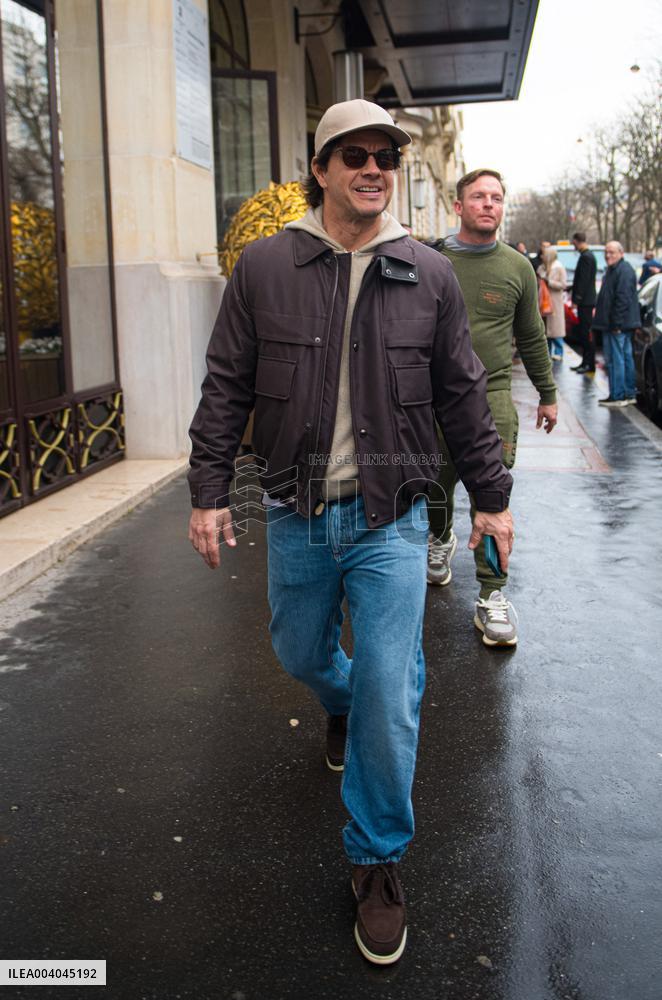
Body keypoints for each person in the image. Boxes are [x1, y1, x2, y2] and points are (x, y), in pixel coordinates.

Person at [187, 101, 515, 966]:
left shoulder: (429, 273)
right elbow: (225, 385)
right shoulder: (264, 267)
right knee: (301, 654)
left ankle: (376, 857)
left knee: (389, 685)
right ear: (322, 168)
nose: (375, 167)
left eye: (387, 155)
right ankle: (335, 702)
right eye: (356, 155)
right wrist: (208, 489)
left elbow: (462, 394)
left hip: (392, 519)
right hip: (297, 509)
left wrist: (491, 494)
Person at [427, 169, 557, 647]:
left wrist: (547, 393)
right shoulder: (430, 260)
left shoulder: (518, 268)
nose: (489, 204)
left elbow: (532, 336)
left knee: (493, 498)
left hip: (493, 398)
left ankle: (492, 595)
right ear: (458, 206)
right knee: (433, 488)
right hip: (433, 399)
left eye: (497, 198)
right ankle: (439, 541)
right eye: (478, 197)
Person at [592, 241, 639, 407]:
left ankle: (618, 395)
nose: (607, 255)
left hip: (617, 325)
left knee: (616, 359)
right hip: (619, 324)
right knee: (624, 358)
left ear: (621, 253)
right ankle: (627, 393)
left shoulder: (623, 271)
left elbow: (622, 300)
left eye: (611, 252)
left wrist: (616, 324)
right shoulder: (616, 270)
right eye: (606, 252)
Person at [569, 232, 597, 375]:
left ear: (576, 241)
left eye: (573, 242)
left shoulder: (586, 257)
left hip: (585, 302)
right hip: (586, 301)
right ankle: (586, 362)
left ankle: (588, 363)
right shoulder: (587, 256)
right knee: (584, 332)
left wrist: (576, 300)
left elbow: (583, 280)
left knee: (585, 333)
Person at [537, 247, 567, 361]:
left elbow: (563, 284)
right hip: (542, 301)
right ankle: (547, 352)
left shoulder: (559, 268)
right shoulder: (541, 268)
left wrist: (549, 282)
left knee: (556, 329)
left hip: (554, 302)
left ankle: (559, 353)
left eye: (544, 254)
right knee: (545, 330)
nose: (541, 256)